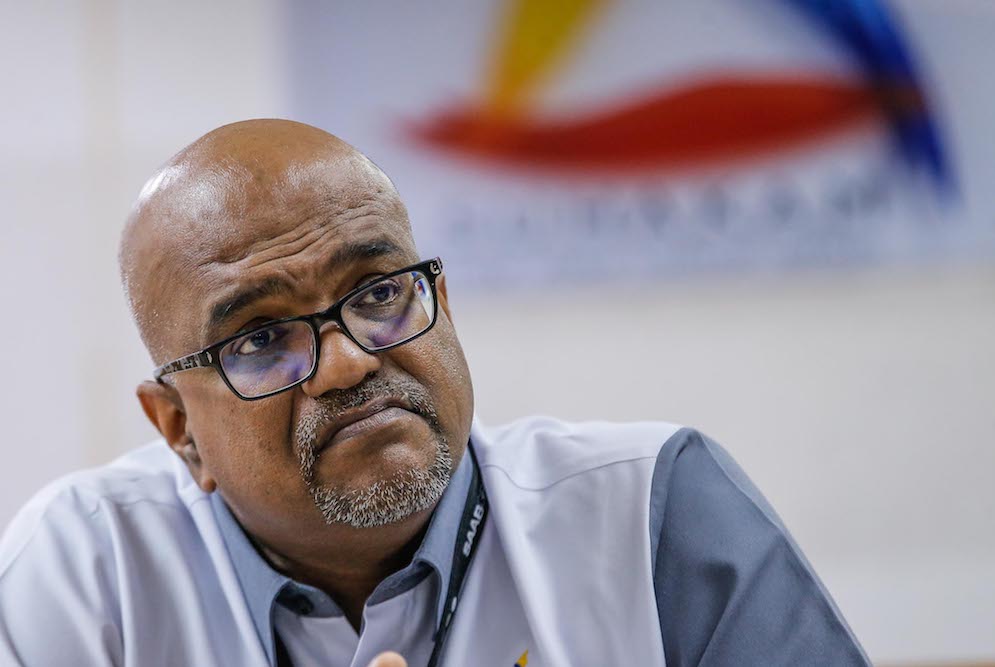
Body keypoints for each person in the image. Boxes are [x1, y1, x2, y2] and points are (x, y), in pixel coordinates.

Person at [0, 119, 870, 666]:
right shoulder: (84, 574)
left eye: (379, 293)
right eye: (262, 338)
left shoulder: (649, 506)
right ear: (181, 430)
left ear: (441, 304)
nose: (346, 363)